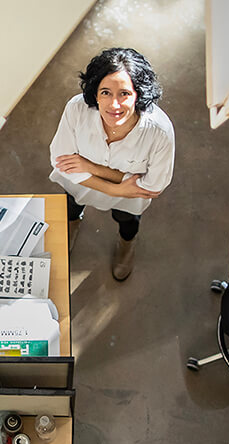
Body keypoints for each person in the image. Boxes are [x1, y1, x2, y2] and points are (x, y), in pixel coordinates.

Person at [48, 48, 175, 281]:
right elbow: (60, 159)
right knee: (72, 205)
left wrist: (91, 167)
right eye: (105, 92)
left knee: (126, 220)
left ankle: (127, 244)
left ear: (139, 95)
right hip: (84, 186)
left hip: (125, 199)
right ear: (95, 93)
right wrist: (118, 187)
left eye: (124, 93)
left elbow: (152, 187)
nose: (114, 105)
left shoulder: (160, 133)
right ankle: (73, 224)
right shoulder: (77, 109)